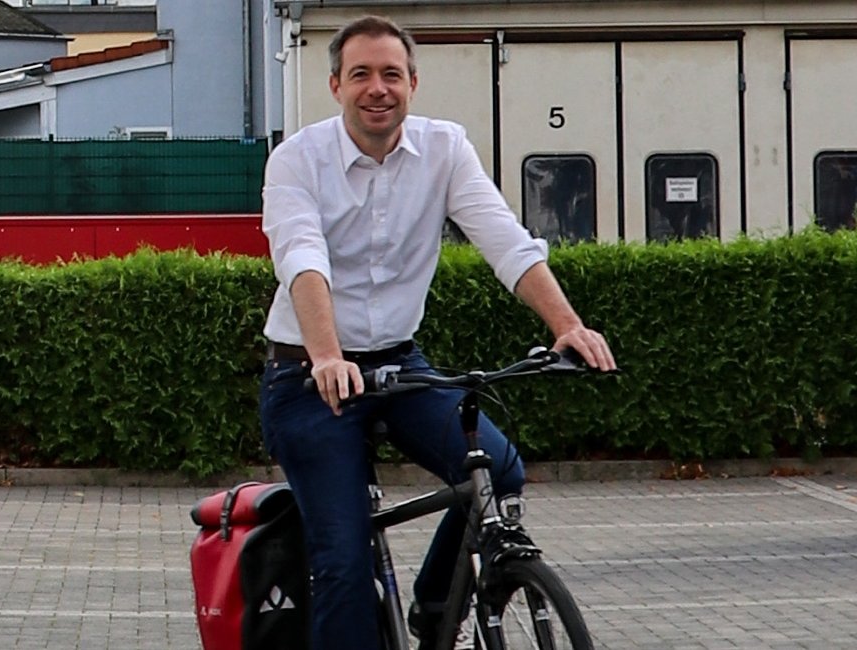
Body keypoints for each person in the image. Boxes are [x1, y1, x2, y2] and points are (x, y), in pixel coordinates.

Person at [258, 15, 617, 649]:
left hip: (399, 364)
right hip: (309, 377)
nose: (378, 88)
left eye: (391, 74)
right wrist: (327, 355)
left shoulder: (445, 148)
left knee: (498, 471)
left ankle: (434, 607)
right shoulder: (297, 159)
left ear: (413, 84)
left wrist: (568, 326)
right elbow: (301, 258)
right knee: (343, 562)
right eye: (361, 75)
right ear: (336, 85)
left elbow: (505, 241)